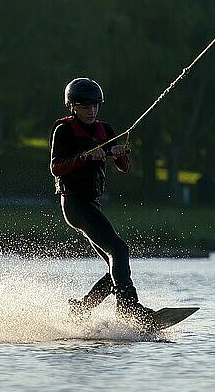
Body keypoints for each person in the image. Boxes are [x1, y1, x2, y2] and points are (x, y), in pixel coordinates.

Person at [49, 77, 155, 327]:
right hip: (74, 204)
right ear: (72, 107)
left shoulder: (105, 130)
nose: (91, 110)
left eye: (95, 105)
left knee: (114, 266)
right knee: (120, 250)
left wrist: (119, 156)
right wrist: (84, 157)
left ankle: (82, 309)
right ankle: (129, 308)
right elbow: (55, 168)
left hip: (91, 203)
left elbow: (123, 167)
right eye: (85, 106)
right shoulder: (63, 130)